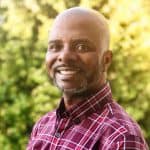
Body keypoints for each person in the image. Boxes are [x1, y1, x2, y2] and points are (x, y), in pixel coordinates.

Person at [27, 7, 148, 150]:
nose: (64, 56)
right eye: (55, 46)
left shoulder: (120, 139)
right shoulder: (43, 125)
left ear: (106, 60)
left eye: (81, 47)